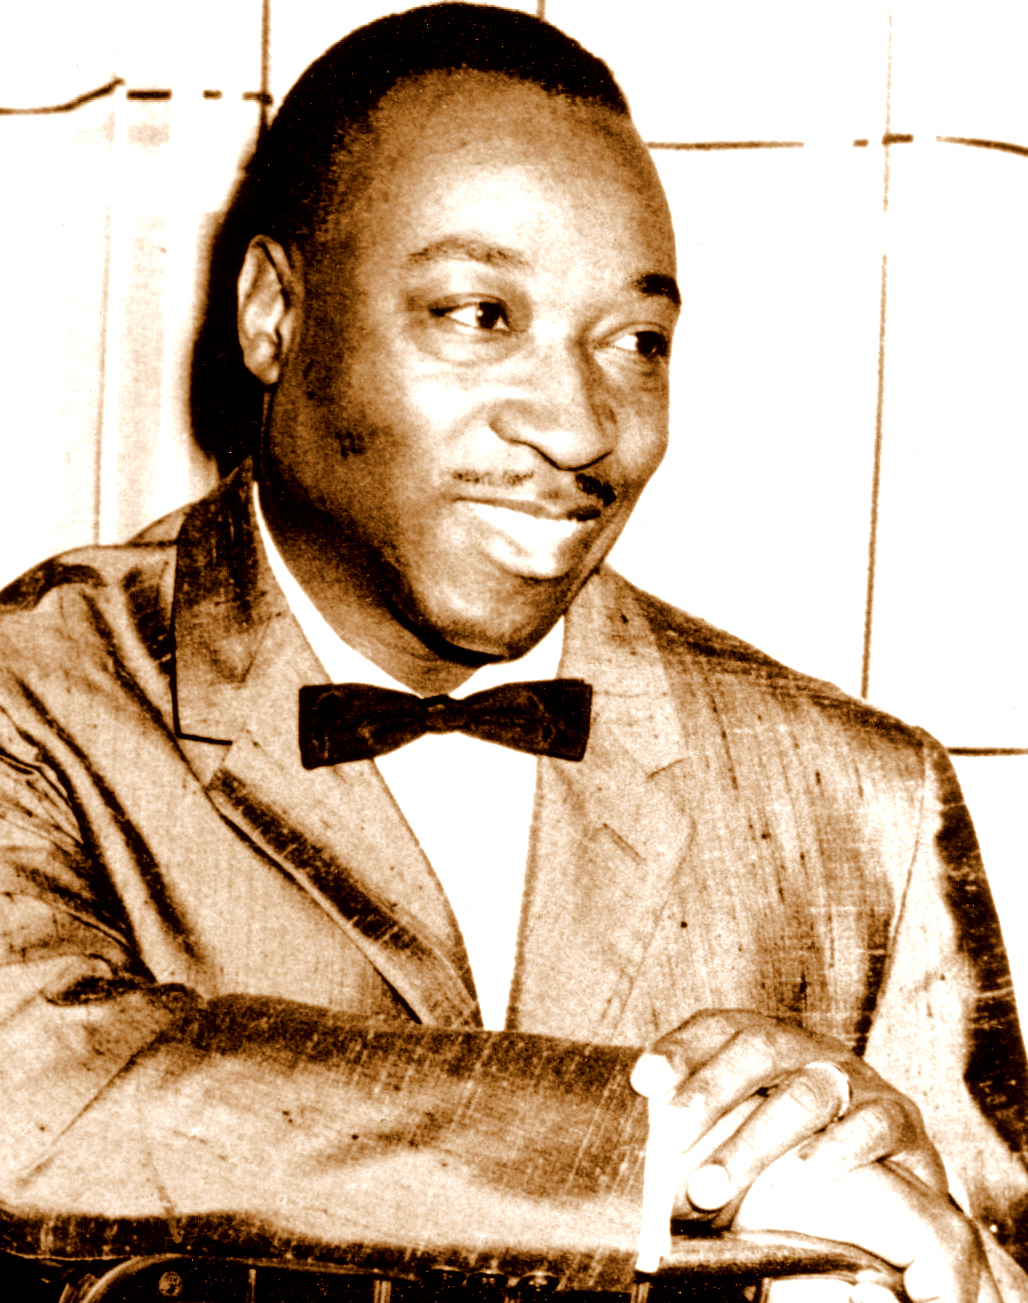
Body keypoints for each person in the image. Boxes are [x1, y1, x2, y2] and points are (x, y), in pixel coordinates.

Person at [0, 5, 1024, 1300]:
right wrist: (672, 1161)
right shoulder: (39, 695)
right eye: (480, 315)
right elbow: (33, 1090)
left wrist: (943, 1264)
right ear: (273, 314)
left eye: (637, 343)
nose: (583, 429)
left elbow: (986, 1254)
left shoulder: (865, 804)